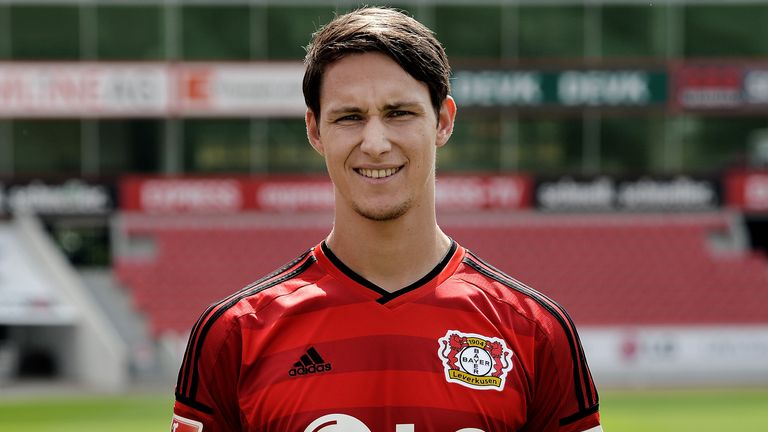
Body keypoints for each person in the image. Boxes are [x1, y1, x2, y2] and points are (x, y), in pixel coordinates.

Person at [171, 6, 602, 432]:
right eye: (349, 117)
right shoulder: (235, 334)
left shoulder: (536, 332)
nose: (375, 143)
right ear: (315, 131)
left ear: (443, 121)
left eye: (399, 113)